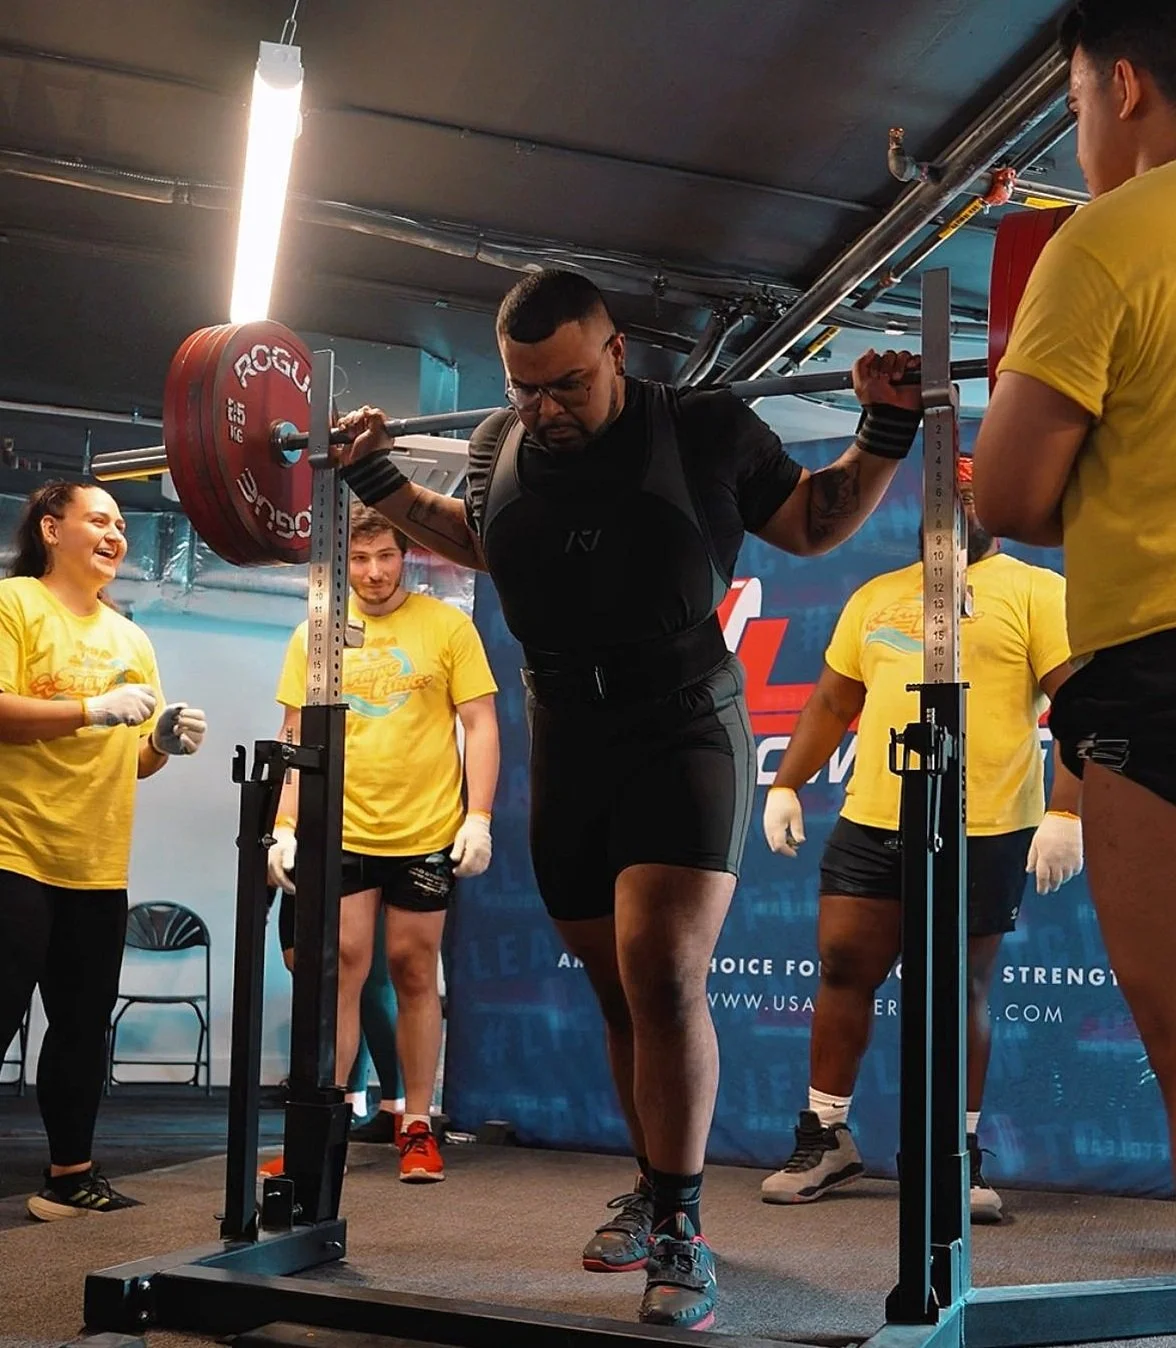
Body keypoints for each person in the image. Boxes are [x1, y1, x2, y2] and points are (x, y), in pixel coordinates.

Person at [333, 268, 923, 1330]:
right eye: (524, 389)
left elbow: (809, 522)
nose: (544, 410)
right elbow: (481, 537)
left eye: (565, 385)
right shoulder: (498, 446)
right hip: (567, 735)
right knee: (619, 994)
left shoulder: (700, 425)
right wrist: (377, 475)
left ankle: (684, 1225)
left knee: (662, 969)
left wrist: (881, 430)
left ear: (615, 352)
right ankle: (656, 1189)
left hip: (684, 726)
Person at [760, 457, 1082, 1222]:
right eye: (943, 497)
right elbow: (833, 699)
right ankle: (827, 1137)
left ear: (992, 509)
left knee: (958, 989)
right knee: (842, 966)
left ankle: (952, 1156)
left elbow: (1080, 710)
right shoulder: (877, 597)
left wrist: (1067, 812)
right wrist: (785, 784)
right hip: (875, 819)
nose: (954, 511)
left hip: (985, 825)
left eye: (969, 497)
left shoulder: (1039, 592)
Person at [971, 0, 1176, 1172]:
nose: (1081, 126)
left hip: (1158, 660)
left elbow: (1006, 498)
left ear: (1128, 86)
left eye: (1078, 101)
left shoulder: (1102, 238)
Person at [266, 506, 499, 1182]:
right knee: (339, 971)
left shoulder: (446, 627)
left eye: (384, 558)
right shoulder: (318, 635)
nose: (371, 573)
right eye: (359, 561)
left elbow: (480, 725)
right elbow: (293, 734)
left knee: (415, 971)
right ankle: (319, 1130)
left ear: (407, 556)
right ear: (344, 565)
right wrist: (283, 826)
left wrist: (477, 816)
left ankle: (417, 1125)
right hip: (342, 829)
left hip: (424, 830)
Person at [0, 481, 207, 1219]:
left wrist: (159, 742)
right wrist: (91, 708)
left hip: (96, 860)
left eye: (121, 524)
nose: (116, 533)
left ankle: (69, 1178)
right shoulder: (15, 603)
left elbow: (134, 760)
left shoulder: (131, 639)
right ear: (52, 529)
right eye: (99, 520)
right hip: (13, 848)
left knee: (82, 1028)